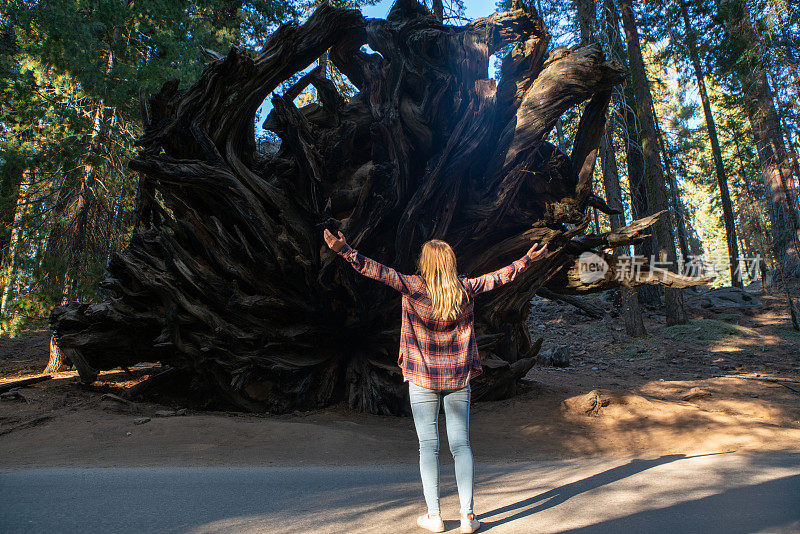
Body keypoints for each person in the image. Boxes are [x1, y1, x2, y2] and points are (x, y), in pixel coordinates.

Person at [323, 229, 549, 533]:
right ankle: (468, 516)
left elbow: (377, 271)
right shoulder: (465, 289)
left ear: (426, 264)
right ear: (451, 263)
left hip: (422, 377)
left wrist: (345, 250)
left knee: (427, 447)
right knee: (461, 445)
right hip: (458, 377)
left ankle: (435, 515)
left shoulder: (414, 287)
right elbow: (500, 277)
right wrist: (526, 260)